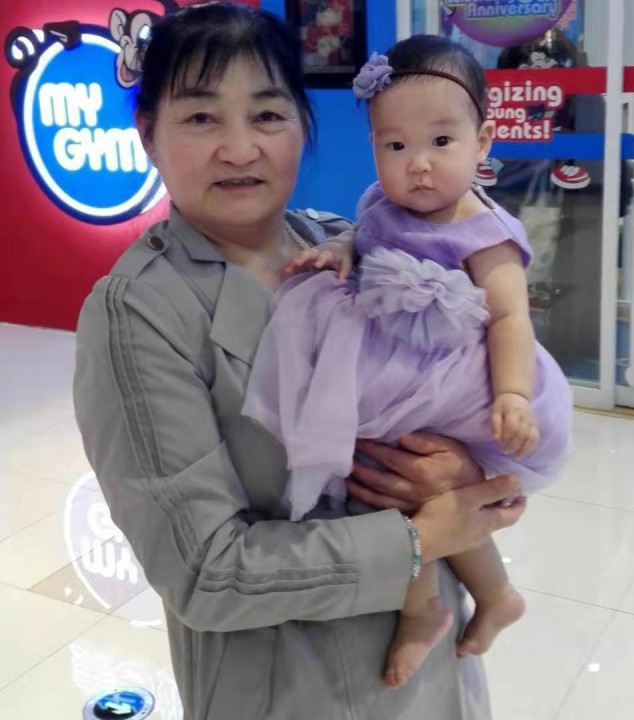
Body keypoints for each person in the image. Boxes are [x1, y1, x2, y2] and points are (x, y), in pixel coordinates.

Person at [72, 5, 527, 720]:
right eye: (201, 118)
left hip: (441, 670)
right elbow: (205, 571)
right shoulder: (139, 313)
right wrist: (420, 539)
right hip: (292, 688)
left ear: (302, 126)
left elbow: (476, 382)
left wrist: (463, 472)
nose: (239, 148)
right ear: (148, 136)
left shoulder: (353, 246)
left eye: (267, 114)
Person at [241, 35, 573, 688]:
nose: (417, 164)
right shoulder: (379, 203)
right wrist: (341, 250)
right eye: (395, 146)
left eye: (441, 142)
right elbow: (361, 238)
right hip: (395, 367)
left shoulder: (485, 232)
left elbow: (510, 318)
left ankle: (430, 608)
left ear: (482, 142)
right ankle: (489, 596)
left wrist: (512, 396)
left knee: (395, 479)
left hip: (454, 379)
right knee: (403, 485)